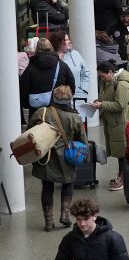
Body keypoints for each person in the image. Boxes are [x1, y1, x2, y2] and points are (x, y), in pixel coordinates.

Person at [28, 84, 86, 231]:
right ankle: (65, 215)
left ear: (53, 97)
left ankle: (49, 222)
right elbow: (82, 139)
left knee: (47, 187)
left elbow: (29, 132)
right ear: (69, 99)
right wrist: (85, 156)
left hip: (46, 156)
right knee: (68, 183)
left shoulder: (42, 112)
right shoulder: (74, 116)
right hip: (66, 157)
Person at [92, 60, 129, 192]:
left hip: (122, 122)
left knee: (123, 152)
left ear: (110, 72)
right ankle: (122, 175)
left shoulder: (121, 85)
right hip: (114, 123)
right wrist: (99, 101)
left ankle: (123, 177)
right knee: (120, 152)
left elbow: (121, 105)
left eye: (102, 76)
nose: (101, 78)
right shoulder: (108, 83)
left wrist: (102, 105)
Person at [54, 198, 129, 260]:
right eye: (79, 219)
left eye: (86, 219)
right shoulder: (69, 239)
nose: (82, 223)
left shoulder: (113, 238)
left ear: (95, 217)